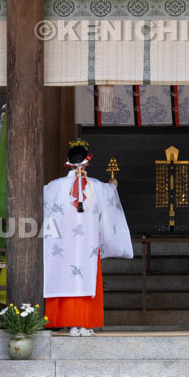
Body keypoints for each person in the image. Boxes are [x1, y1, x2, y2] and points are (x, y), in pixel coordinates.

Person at [43, 139, 133, 336]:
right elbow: (110, 200)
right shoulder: (98, 188)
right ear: (86, 162)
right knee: (86, 277)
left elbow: (43, 207)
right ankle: (84, 323)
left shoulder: (53, 188)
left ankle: (68, 322)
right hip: (87, 246)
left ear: (68, 162)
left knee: (62, 276)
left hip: (62, 247)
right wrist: (113, 186)